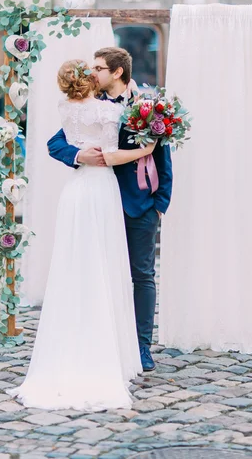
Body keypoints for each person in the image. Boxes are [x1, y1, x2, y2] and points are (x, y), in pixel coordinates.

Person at [9, 60, 156, 411]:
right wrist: (144, 149)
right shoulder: (108, 112)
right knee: (105, 264)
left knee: (75, 266)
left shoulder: (65, 108)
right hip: (102, 191)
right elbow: (104, 152)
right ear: (91, 80)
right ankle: (107, 349)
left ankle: (81, 341)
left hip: (75, 193)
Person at [47, 47, 173, 371]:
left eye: (99, 68)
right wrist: (79, 156)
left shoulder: (146, 107)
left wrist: (160, 204)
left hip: (138, 204)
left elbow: (162, 155)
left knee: (141, 276)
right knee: (100, 274)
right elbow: (56, 142)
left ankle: (142, 347)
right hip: (97, 200)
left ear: (117, 72)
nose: (93, 73)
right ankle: (107, 344)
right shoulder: (91, 108)